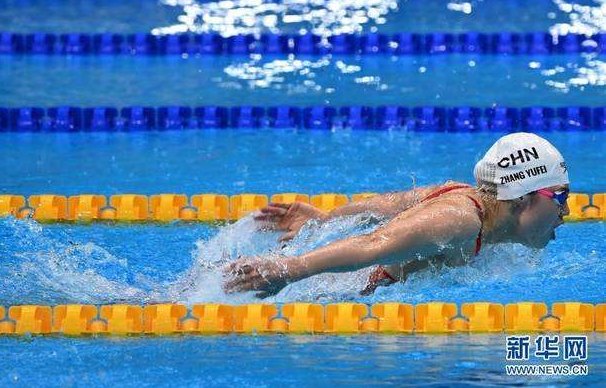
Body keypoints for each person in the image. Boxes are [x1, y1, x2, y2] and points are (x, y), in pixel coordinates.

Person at [224, 133, 570, 298]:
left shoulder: (464, 197)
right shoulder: (461, 221)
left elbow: (393, 203)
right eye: (560, 196)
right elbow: (375, 243)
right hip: (336, 293)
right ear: (523, 199)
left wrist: (326, 218)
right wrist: (289, 269)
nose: (566, 211)